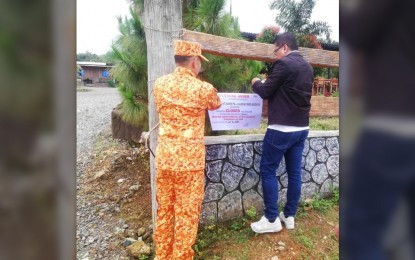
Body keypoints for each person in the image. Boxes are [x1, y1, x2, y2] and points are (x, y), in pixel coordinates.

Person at [153, 40, 221, 259]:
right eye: (199, 62)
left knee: (164, 212)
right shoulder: (202, 89)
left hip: (164, 160)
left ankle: (162, 256)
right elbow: (216, 102)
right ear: (194, 62)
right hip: (189, 166)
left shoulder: (159, 84)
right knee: (186, 216)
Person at [250, 32, 314, 233]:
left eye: (275, 50)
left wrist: (255, 82)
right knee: (295, 172)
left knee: (268, 170)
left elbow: (266, 91)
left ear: (284, 47)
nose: (275, 54)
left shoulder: (284, 64)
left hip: (281, 129)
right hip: (302, 128)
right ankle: (289, 215)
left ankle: (271, 219)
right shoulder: (308, 67)